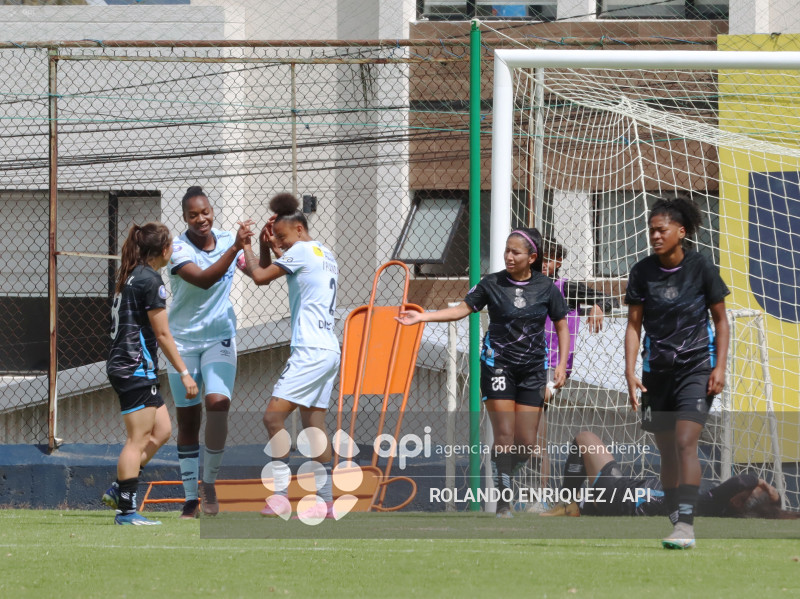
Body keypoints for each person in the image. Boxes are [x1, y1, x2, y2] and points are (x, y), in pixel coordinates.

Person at [396, 227, 571, 518]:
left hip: (533, 370)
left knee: (526, 443)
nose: (509, 256)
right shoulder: (491, 283)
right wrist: (422, 316)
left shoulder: (546, 287)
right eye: (507, 250)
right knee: (504, 434)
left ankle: (502, 467)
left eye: (516, 252)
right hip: (497, 366)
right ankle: (504, 502)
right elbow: (462, 309)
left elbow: (562, 325)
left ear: (532, 257)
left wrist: (561, 364)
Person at [624, 196, 730, 549]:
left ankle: (686, 524)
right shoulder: (641, 272)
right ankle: (675, 522)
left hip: (696, 369)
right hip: (656, 375)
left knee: (686, 443)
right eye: (651, 230)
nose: (654, 236)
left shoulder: (702, 268)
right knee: (667, 452)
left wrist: (720, 367)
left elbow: (721, 320)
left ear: (680, 232)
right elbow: (634, 326)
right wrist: (629, 369)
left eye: (661, 230)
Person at [239, 193, 340, 519]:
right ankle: (326, 503)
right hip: (329, 349)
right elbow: (279, 262)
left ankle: (279, 498)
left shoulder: (299, 252)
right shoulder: (323, 251)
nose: (280, 242)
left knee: (272, 418)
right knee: (314, 426)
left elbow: (260, 276)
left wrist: (246, 246)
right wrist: (269, 245)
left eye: (282, 236)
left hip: (309, 350)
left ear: (298, 229)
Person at [166, 186, 254, 518]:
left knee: (218, 405)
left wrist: (259, 243)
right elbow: (203, 280)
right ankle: (190, 498)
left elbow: (256, 273)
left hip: (220, 337)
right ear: (185, 218)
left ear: (211, 210)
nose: (201, 219)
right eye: (193, 215)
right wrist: (235, 247)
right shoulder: (177, 248)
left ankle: (210, 483)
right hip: (183, 343)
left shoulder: (228, 238)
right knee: (188, 419)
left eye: (205, 212)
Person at [105, 222, 199, 525]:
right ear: (164, 250)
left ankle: (120, 487)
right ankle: (127, 511)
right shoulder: (149, 280)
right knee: (137, 439)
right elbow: (162, 333)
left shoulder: (132, 276)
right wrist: (184, 372)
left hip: (132, 366)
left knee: (161, 431)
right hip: (134, 367)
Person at [542, 430, 797, 520]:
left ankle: (570, 501)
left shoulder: (712, 500)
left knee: (584, 438)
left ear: (737, 500)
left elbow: (745, 479)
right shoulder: (719, 507)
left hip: (620, 492)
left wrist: (764, 485)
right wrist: (774, 504)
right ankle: (580, 507)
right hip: (624, 495)